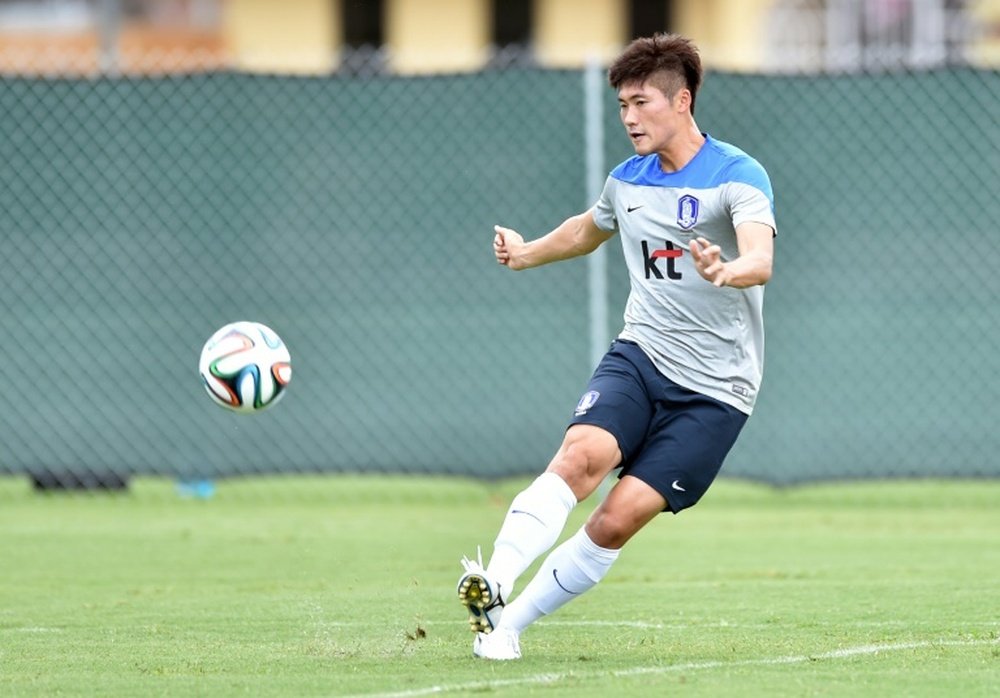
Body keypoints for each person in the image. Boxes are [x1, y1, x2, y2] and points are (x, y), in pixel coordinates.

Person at [457, 33, 776, 660]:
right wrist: (524, 253)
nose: (629, 117)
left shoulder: (738, 175)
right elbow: (588, 228)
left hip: (718, 391)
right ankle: (494, 579)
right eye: (622, 105)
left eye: (640, 102)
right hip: (642, 355)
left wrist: (727, 270)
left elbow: (760, 256)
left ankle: (509, 625)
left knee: (616, 518)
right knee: (580, 456)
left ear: (682, 101)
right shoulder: (626, 181)